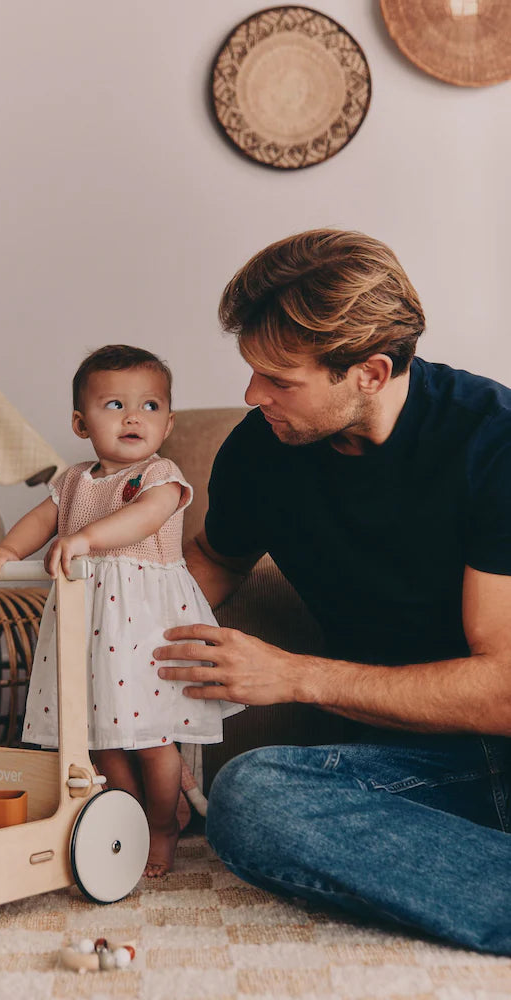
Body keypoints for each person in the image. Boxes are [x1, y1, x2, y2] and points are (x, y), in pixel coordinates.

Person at [153, 229, 511, 953]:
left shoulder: (492, 444)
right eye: (252, 371)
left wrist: (295, 677)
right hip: (414, 770)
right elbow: (212, 566)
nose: (253, 396)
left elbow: (502, 689)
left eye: (279, 380)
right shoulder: (262, 451)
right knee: (253, 800)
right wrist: (99, 635)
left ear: (371, 373)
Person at [0, 344, 241, 876]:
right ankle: (128, 815)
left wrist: (88, 538)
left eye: (149, 406)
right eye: (114, 405)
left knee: (150, 738)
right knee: (100, 737)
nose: (133, 417)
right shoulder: (72, 481)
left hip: (143, 628)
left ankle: (164, 825)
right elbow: (39, 520)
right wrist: (8, 549)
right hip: (87, 626)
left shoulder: (160, 477)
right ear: (81, 422)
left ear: (167, 423)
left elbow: (143, 519)